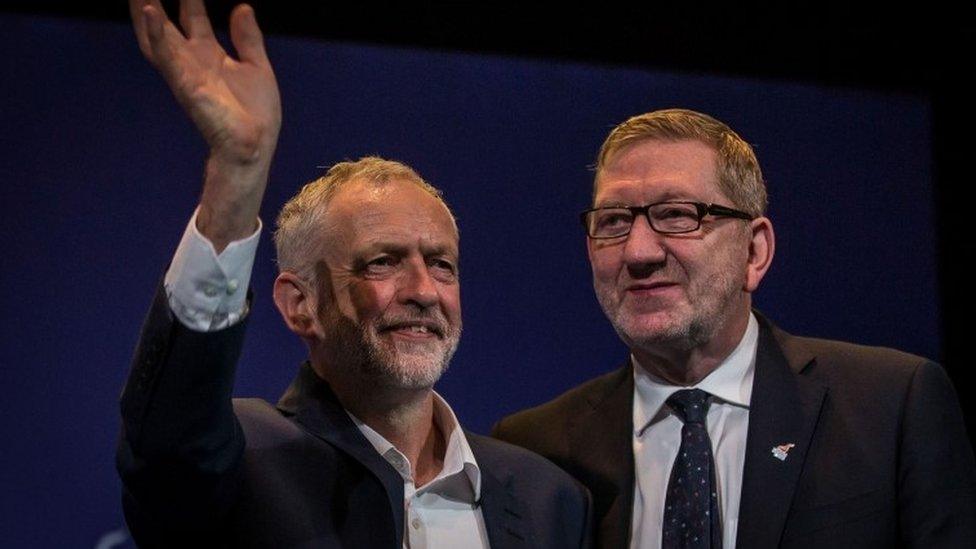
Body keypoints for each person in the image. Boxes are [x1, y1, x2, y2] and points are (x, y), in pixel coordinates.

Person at [116, 1, 591, 547]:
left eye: (441, 265)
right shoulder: (243, 458)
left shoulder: (549, 498)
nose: (421, 292)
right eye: (382, 262)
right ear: (300, 304)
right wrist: (237, 173)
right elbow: (169, 443)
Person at [492, 108, 976, 548]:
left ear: (755, 251)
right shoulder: (536, 449)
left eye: (678, 215)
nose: (638, 252)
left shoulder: (890, 405)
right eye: (614, 221)